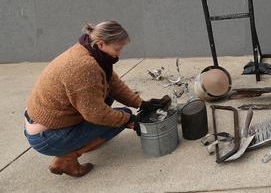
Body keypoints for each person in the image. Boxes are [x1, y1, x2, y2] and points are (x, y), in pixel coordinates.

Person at [24, 21, 165, 177]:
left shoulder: (89, 50)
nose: (119, 54)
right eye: (117, 49)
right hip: (46, 137)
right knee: (120, 118)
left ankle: (83, 139)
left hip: (52, 122)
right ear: (101, 43)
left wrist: (141, 103)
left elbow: (112, 83)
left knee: (107, 96)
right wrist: (129, 119)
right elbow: (96, 114)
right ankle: (66, 159)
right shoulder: (84, 67)